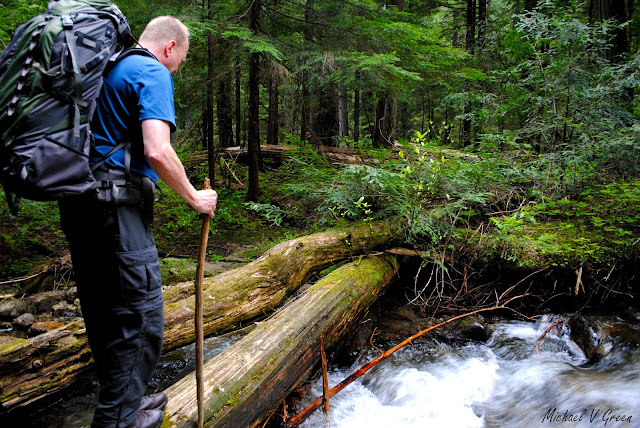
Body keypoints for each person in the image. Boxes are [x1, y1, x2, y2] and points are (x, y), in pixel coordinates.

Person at [59, 16, 217, 428]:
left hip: (80, 206)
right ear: (169, 48)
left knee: (105, 312)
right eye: (178, 62)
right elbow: (158, 151)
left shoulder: (110, 68)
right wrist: (195, 199)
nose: (175, 70)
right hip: (116, 209)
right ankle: (120, 418)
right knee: (142, 317)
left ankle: (126, 401)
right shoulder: (150, 70)